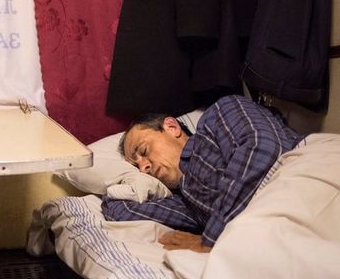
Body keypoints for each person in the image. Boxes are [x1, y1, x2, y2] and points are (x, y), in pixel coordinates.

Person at [102, 94, 303, 253]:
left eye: (144, 151)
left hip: (306, 179)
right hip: (285, 235)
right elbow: (120, 209)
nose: (143, 167)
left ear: (172, 127)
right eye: (136, 166)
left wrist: (210, 239)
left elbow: (264, 149)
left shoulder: (218, 116)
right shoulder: (187, 202)